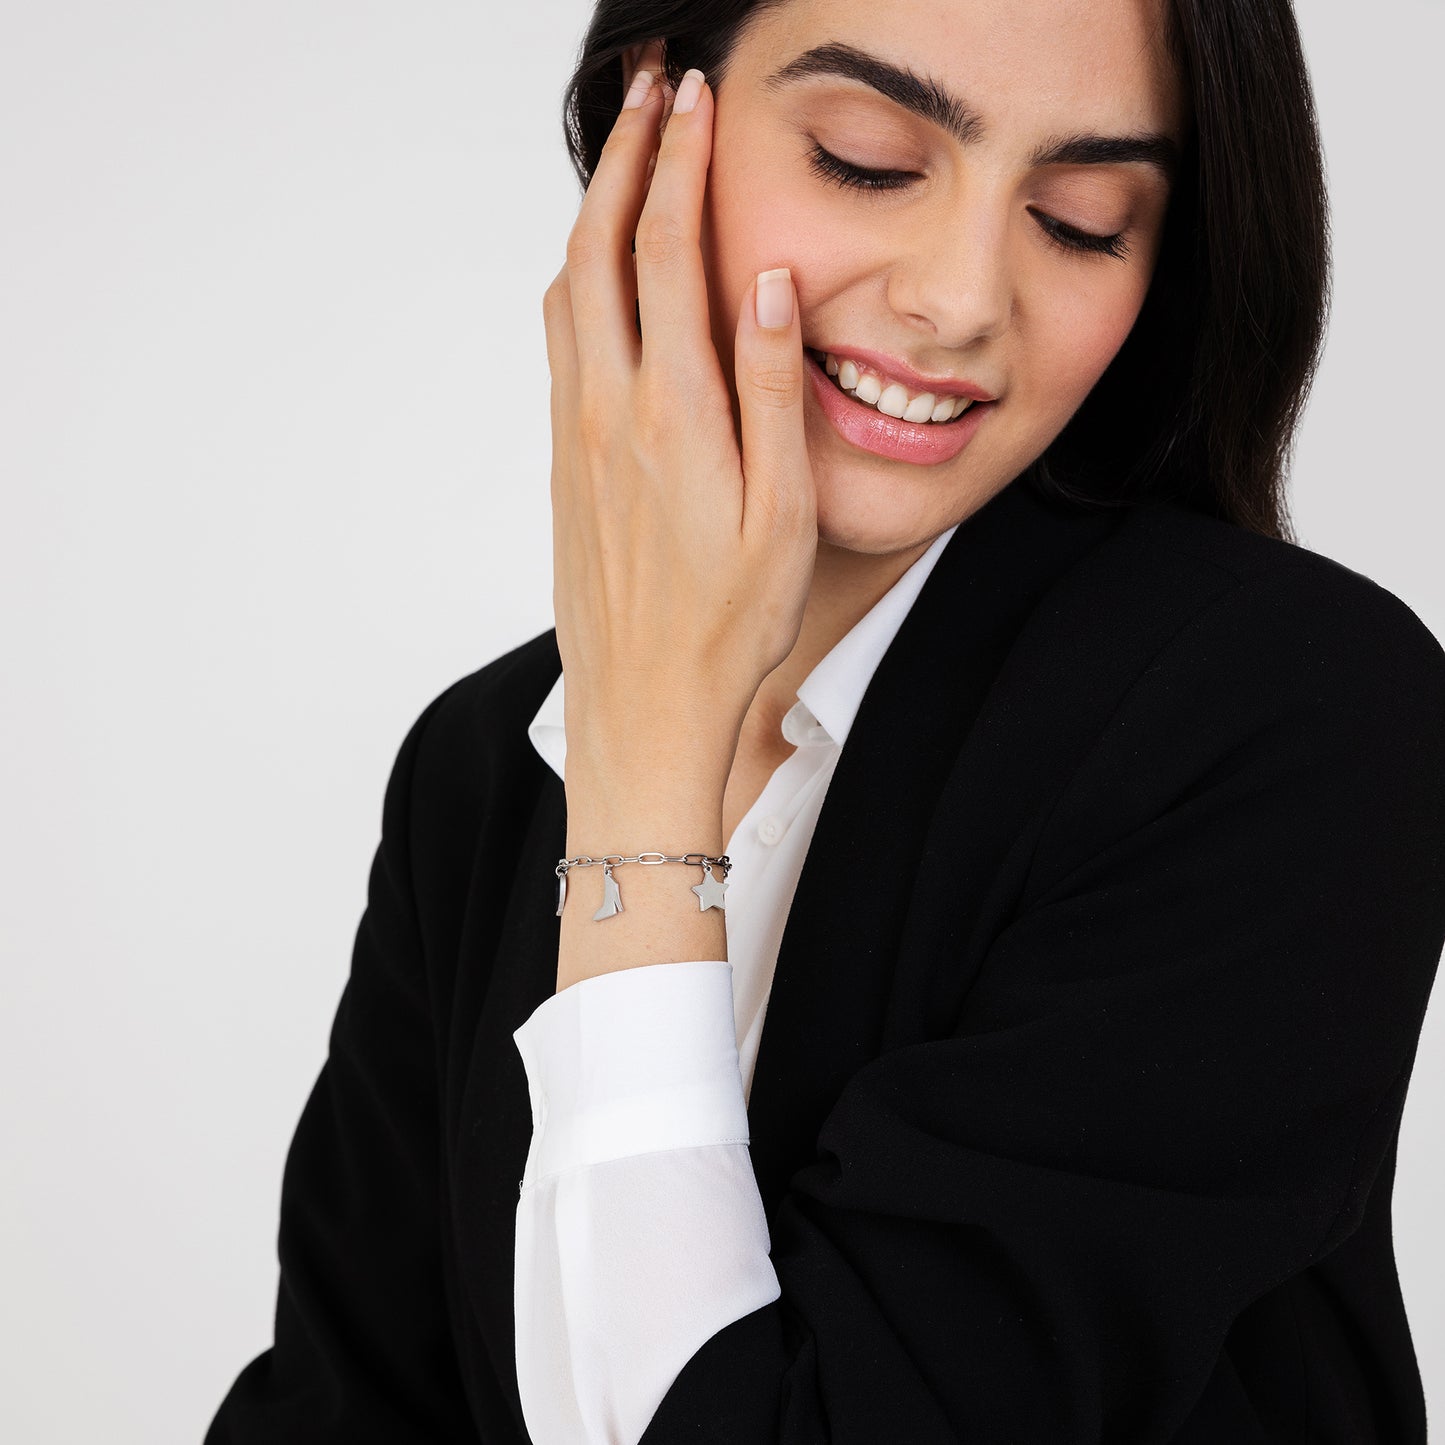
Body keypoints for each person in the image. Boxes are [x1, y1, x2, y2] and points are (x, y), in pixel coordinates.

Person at [204, 1, 1445, 1441]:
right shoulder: (482, 765)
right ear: (650, 114)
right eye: (866, 159)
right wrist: (621, 721)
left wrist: (650, 769)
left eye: (1079, 216)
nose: (960, 297)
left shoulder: (1284, 712)